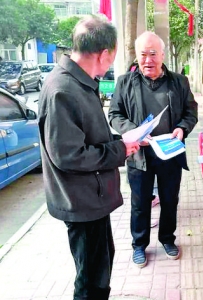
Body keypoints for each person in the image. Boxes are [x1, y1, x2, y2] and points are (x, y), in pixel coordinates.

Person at [38, 16, 140, 299]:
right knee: (91, 279)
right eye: (112, 57)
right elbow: (69, 156)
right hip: (80, 200)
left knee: (100, 267)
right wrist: (121, 150)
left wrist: (122, 143)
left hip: (91, 198)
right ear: (104, 54)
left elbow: (88, 137)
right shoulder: (63, 89)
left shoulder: (80, 83)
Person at [109, 31, 198, 267]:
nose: (148, 60)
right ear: (137, 56)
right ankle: (139, 245)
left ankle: (167, 239)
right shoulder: (124, 82)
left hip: (169, 152)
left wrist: (182, 128)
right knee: (140, 204)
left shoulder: (179, 81)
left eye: (153, 54)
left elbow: (190, 112)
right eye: (143, 54)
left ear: (162, 54)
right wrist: (133, 132)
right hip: (139, 154)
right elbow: (115, 115)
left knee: (170, 200)